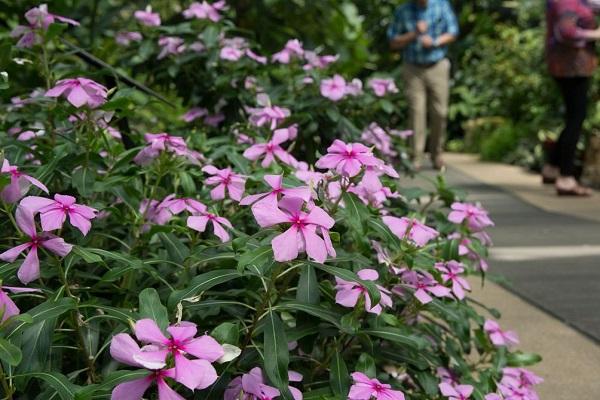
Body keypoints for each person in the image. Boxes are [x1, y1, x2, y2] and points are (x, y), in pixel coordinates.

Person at [387, 0, 459, 171]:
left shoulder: (442, 6)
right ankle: (416, 157)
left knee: (440, 112)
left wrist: (434, 42)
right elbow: (393, 41)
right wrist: (413, 34)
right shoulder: (403, 11)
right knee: (416, 112)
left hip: (437, 65)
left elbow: (453, 32)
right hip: (413, 68)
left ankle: (437, 154)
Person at [543, 0, 600, 196]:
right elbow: (566, 32)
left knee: (573, 117)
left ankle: (552, 166)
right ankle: (566, 177)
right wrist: (595, 34)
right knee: (576, 117)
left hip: (571, 66)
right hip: (571, 67)